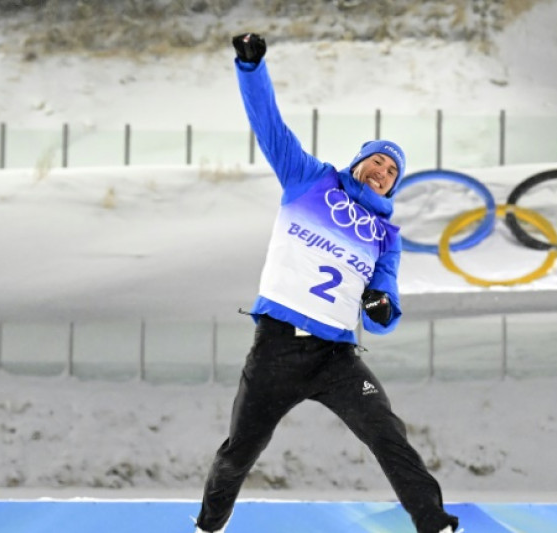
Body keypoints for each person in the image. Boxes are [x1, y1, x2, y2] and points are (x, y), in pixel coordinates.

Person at [192, 33, 461, 533]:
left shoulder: (386, 235)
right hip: (276, 349)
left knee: (388, 434)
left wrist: (382, 307)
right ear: (359, 161)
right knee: (239, 453)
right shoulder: (309, 179)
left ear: (393, 186)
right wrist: (251, 68)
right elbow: (269, 125)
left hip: (335, 357)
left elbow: (386, 305)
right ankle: (208, 525)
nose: (381, 172)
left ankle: (436, 523)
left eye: (391, 171)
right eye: (377, 161)